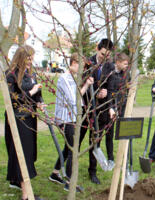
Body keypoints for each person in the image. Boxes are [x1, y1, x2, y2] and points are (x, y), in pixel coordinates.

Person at [48, 53, 94, 191]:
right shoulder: (64, 78)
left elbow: (78, 98)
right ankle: (69, 183)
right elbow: (74, 100)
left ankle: (55, 174)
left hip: (72, 117)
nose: (82, 70)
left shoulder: (73, 78)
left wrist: (86, 84)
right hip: (65, 118)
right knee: (73, 149)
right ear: (73, 62)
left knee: (68, 147)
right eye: (81, 66)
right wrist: (84, 85)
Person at [5, 45, 45, 200]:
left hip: (29, 117)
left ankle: (18, 182)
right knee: (21, 153)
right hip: (17, 119)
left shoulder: (29, 74)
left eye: (32, 58)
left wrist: (39, 102)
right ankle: (26, 196)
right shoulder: (11, 75)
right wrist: (31, 92)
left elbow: (38, 92)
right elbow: (12, 99)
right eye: (29, 58)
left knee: (28, 153)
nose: (31, 61)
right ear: (21, 57)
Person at [79, 38, 114, 184]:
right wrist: (93, 94)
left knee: (95, 141)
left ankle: (92, 172)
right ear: (97, 49)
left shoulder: (110, 66)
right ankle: (64, 167)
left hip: (100, 110)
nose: (104, 58)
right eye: (102, 54)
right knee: (76, 140)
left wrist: (105, 93)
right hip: (85, 108)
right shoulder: (87, 64)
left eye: (107, 55)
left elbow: (111, 87)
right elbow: (80, 85)